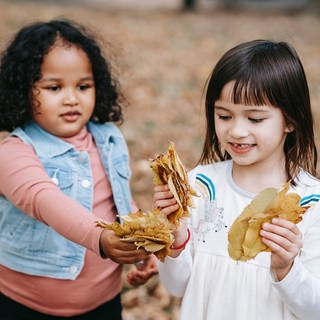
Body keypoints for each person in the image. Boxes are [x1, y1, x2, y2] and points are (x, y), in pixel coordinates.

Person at [153, 40, 320, 319]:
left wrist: (286, 269)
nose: (236, 131)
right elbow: (176, 287)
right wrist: (175, 237)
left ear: (291, 120)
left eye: (255, 119)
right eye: (224, 116)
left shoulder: (310, 203)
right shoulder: (201, 186)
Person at [0, 19, 155, 320]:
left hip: (102, 302)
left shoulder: (107, 137)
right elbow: (45, 201)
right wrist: (100, 238)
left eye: (83, 86)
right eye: (54, 87)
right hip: (23, 304)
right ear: (23, 90)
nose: (72, 98)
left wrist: (142, 247)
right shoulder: (13, 153)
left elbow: (121, 201)